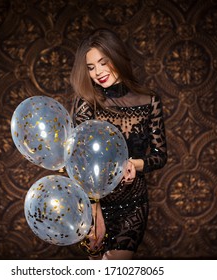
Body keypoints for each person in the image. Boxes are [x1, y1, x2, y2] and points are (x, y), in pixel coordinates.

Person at [70, 28, 167, 260]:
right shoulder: (87, 104)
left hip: (133, 204)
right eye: (91, 67)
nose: (98, 73)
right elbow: (77, 163)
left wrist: (136, 164)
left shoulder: (149, 100)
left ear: (117, 57)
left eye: (104, 62)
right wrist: (93, 210)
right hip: (96, 205)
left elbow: (159, 154)